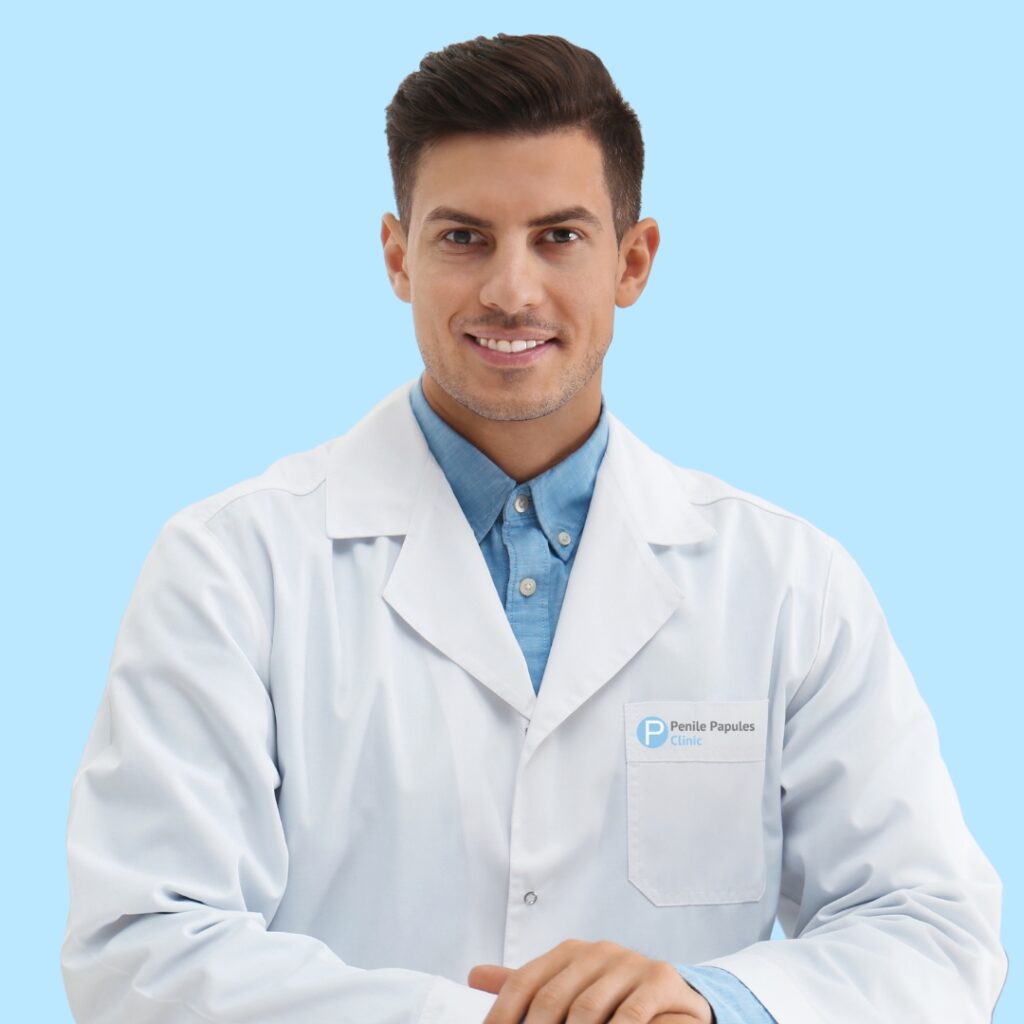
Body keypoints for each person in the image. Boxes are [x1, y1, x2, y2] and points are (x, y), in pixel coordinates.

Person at [61, 32, 1007, 1024]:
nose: (511, 290)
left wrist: (711, 1001)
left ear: (632, 261)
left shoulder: (785, 583)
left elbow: (933, 930)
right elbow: (142, 950)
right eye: (463, 238)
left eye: (558, 236)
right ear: (398, 257)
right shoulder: (232, 568)